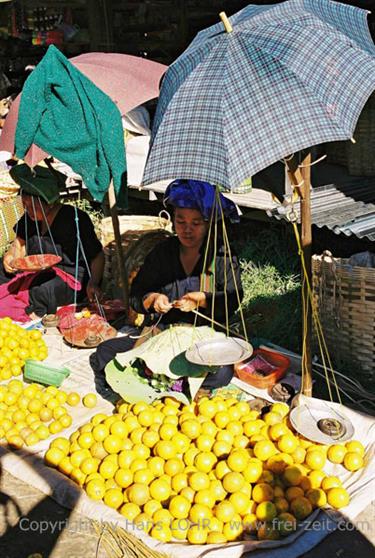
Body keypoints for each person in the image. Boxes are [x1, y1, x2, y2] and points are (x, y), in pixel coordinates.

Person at [91, 179, 243, 393]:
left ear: (208, 223)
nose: (187, 230)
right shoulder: (163, 253)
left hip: (203, 339)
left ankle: (162, 378)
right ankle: (175, 381)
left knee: (223, 373)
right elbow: (137, 294)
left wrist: (202, 300)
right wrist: (152, 299)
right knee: (105, 352)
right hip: (162, 335)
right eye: (181, 221)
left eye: (196, 223)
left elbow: (233, 297)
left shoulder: (221, 255)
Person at [0, 163, 104, 320]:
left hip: (70, 278)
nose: (28, 210)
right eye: (25, 205)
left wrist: (93, 282)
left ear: (49, 203)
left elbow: (98, 256)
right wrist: (10, 257)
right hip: (37, 272)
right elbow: (19, 245)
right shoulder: (29, 218)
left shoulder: (75, 219)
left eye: (33, 206)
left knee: (42, 291)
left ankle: (32, 315)